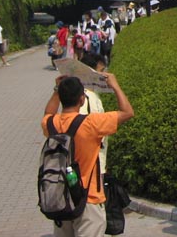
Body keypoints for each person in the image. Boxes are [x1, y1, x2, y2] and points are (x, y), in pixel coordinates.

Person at [42, 72, 134, 237]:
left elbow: (47, 114)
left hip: (61, 198)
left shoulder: (51, 124)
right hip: (89, 198)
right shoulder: (91, 123)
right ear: (82, 99)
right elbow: (127, 112)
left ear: (61, 98)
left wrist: (57, 90)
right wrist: (115, 85)